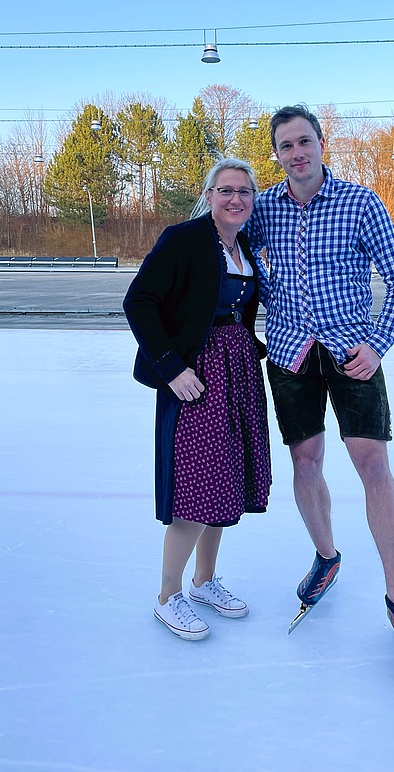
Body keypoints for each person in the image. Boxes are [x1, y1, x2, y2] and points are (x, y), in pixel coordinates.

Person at [245, 104, 394, 667]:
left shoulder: (360, 202)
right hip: (288, 351)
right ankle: (327, 557)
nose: (296, 153)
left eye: (304, 142)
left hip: (353, 352)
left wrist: (377, 345)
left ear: (322, 144)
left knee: (373, 465)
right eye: (285, 146)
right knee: (305, 462)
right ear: (276, 154)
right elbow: (232, 249)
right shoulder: (265, 209)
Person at [123, 158, 271, 642]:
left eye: (245, 192)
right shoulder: (183, 238)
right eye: (226, 190)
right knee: (195, 487)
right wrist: (170, 367)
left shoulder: (244, 244)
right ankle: (168, 596)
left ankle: (204, 581)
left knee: (225, 478)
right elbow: (138, 301)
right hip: (194, 376)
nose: (236, 199)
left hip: (238, 373)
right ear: (208, 195)